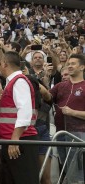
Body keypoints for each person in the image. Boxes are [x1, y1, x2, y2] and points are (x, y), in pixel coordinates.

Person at [0, 51, 39, 184]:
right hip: (12, 141)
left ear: (4, 63)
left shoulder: (19, 81)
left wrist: (15, 139)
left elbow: (24, 111)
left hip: (20, 142)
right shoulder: (12, 82)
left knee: (23, 179)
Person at [49, 54, 85, 182]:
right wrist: (43, 79)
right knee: (67, 168)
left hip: (79, 134)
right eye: (68, 64)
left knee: (77, 171)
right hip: (60, 133)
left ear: (82, 67)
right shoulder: (60, 86)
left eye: (73, 63)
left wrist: (73, 112)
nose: (69, 66)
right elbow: (46, 98)